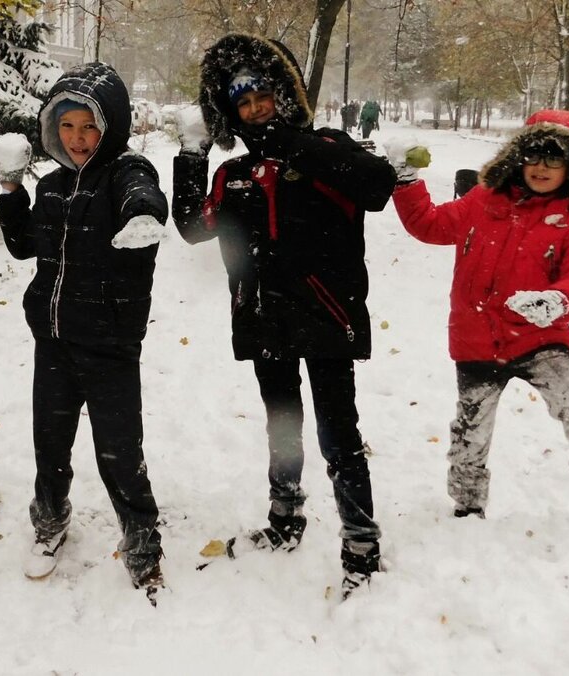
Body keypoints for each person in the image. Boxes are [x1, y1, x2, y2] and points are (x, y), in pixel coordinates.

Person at [170, 34, 397, 598]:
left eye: (262, 96)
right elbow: (194, 228)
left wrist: (291, 143)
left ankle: (361, 544)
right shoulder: (235, 175)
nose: (254, 110)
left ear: (283, 94)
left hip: (325, 318)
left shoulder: (325, 148)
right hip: (264, 321)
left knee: (338, 433)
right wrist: (192, 156)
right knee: (283, 426)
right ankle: (285, 518)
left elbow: (376, 186)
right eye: (241, 103)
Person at [387, 109, 569, 531]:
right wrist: (406, 181)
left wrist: (558, 300)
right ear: (518, 156)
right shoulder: (483, 201)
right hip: (477, 341)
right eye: (535, 155)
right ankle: (467, 506)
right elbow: (430, 225)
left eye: (555, 159)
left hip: (540, 340)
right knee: (470, 432)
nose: (542, 167)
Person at [0, 62, 169, 599]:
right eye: (66, 127)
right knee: (50, 443)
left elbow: (146, 194)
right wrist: (9, 187)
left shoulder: (126, 172)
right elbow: (23, 245)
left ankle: (141, 539)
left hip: (110, 343)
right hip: (53, 340)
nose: (78, 139)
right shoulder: (53, 187)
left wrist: (142, 217)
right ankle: (49, 522)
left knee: (118, 450)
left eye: (89, 126)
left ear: (109, 126)